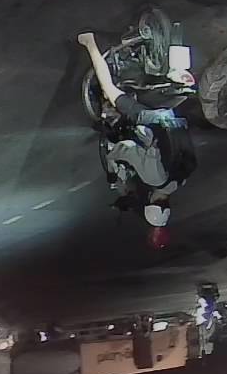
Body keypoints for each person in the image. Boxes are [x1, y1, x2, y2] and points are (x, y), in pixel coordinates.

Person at [78, 32, 197, 250]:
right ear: (149, 203)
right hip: (154, 119)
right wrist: (113, 156)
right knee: (110, 90)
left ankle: (159, 46)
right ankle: (90, 43)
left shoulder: (179, 181)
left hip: (174, 119)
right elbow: (128, 148)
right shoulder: (154, 179)